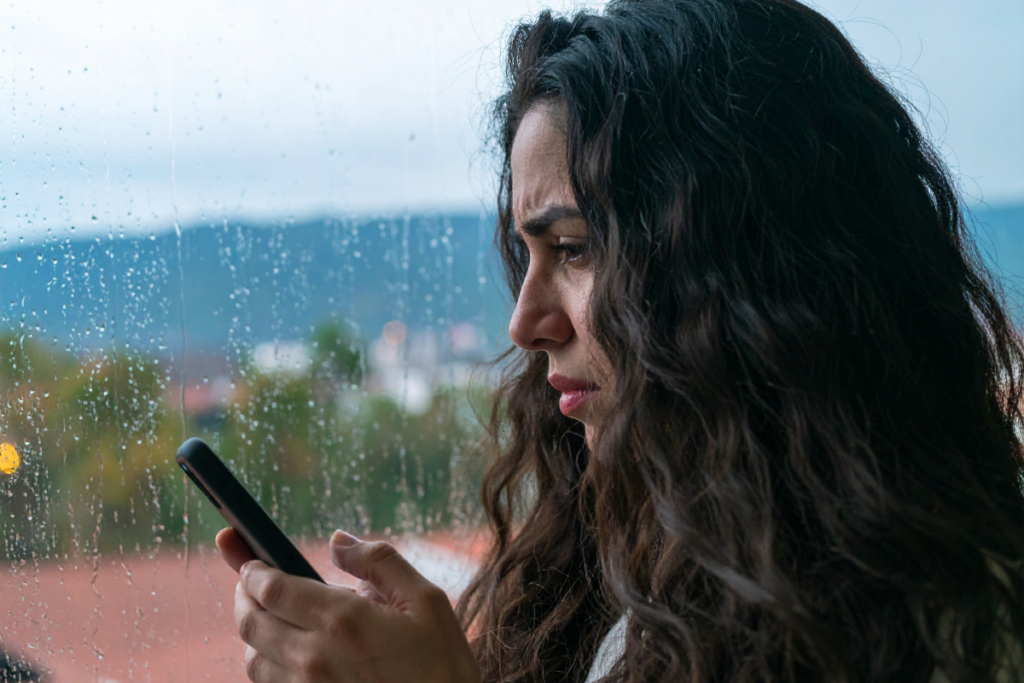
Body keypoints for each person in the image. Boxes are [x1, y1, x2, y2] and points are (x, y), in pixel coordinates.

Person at [216, 0, 1024, 681]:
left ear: (740, 268)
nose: (525, 323)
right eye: (524, 256)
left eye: (573, 248)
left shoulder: (959, 627)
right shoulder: (637, 591)